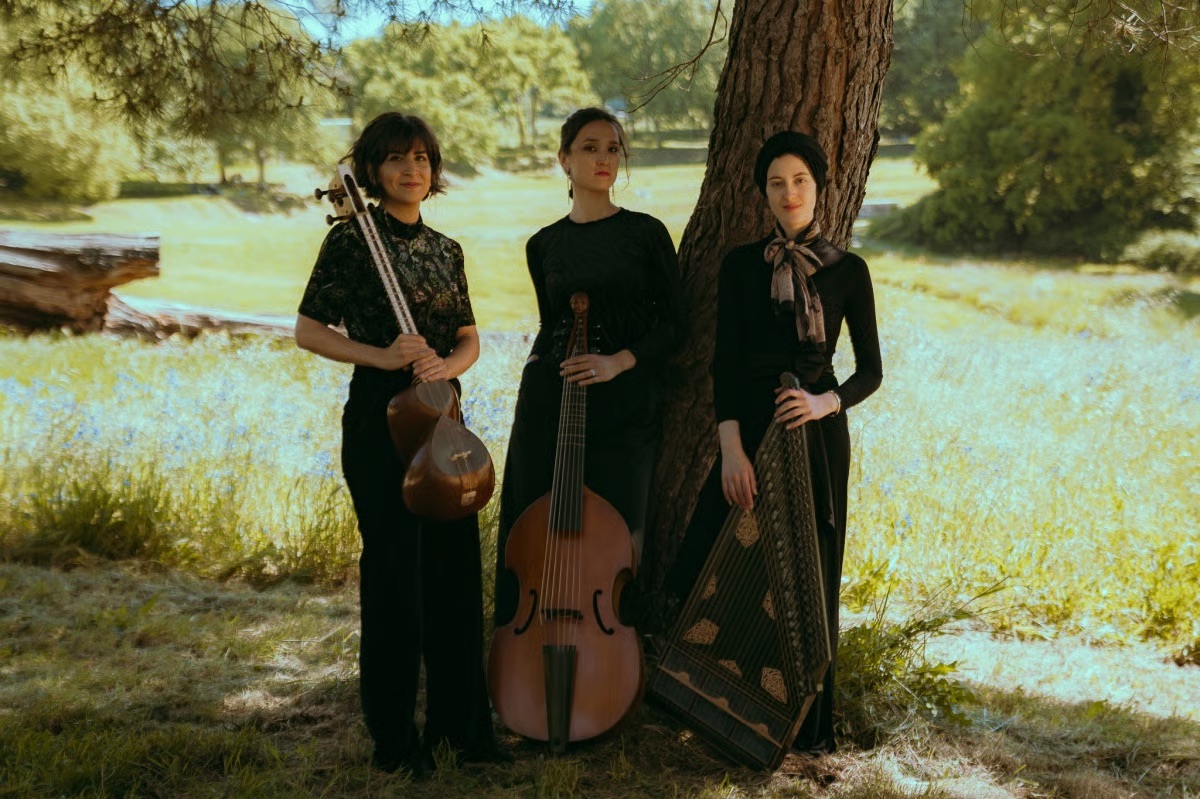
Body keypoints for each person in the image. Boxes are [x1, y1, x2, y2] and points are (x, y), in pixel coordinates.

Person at [664, 130, 882, 754]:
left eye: (801, 181)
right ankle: (725, 706)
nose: (790, 193)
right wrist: (730, 450)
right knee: (713, 560)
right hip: (749, 432)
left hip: (816, 436)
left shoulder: (848, 271)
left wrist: (822, 403)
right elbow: (726, 365)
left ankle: (806, 724)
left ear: (819, 187)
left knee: (810, 574)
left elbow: (870, 371)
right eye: (777, 183)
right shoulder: (740, 266)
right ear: (763, 192)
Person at [294, 112, 498, 775]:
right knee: (394, 576)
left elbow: (467, 336)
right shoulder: (352, 241)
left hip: (442, 414)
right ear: (373, 170)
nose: (412, 169)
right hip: (379, 418)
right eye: (396, 159)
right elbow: (308, 330)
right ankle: (395, 738)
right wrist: (383, 355)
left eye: (421, 158)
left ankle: (460, 731)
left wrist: (447, 364)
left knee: (454, 573)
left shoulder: (446, 249)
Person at [493, 106, 686, 629]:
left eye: (613, 149)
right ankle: (527, 647)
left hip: (626, 403)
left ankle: (612, 655)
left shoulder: (646, 233)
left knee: (621, 534)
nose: (604, 158)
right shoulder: (543, 244)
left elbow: (676, 324)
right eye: (590, 147)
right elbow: (549, 322)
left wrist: (619, 362)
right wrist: (536, 365)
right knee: (534, 526)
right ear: (564, 160)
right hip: (549, 404)